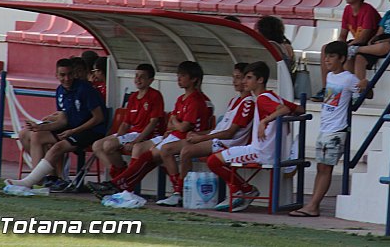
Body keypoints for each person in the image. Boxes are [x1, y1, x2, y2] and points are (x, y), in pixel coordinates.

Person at [87, 61, 213, 199]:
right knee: (146, 159)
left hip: (185, 139)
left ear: (194, 79)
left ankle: (121, 186)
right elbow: (171, 124)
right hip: (173, 137)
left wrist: (175, 121)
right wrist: (174, 123)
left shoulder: (195, 100)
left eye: (182, 76)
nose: (179, 79)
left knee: (148, 156)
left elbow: (182, 126)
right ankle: (118, 185)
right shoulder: (181, 98)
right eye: (178, 75)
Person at [206, 61, 304, 212]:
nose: (244, 81)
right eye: (244, 77)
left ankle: (245, 190)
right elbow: (299, 109)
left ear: (260, 80)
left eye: (249, 77)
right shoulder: (272, 96)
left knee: (213, 161)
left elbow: (284, 109)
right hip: (268, 150)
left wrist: (265, 121)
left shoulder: (263, 99)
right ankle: (243, 190)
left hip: (261, 152)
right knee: (217, 159)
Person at [156, 62, 254, 207]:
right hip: (217, 140)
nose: (235, 81)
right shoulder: (234, 101)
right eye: (233, 77)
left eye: (239, 78)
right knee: (166, 149)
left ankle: (180, 192)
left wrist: (202, 137)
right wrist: (198, 134)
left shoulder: (248, 103)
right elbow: (218, 129)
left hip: (228, 144)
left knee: (185, 151)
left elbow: (230, 133)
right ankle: (179, 191)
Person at [6, 58, 107, 190]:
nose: (66, 78)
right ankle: (39, 180)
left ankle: (32, 181)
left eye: (69, 74)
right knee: (37, 135)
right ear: (56, 75)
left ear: (74, 74)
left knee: (57, 147)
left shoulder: (84, 89)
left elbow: (98, 118)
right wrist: (40, 127)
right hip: (72, 128)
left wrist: (74, 131)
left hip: (91, 131)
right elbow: (63, 120)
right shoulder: (60, 90)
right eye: (62, 75)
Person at [290, 41, 359, 217]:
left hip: (337, 129)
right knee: (321, 167)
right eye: (326, 56)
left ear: (342, 58)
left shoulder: (349, 78)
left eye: (332, 56)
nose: (327, 60)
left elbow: (362, 94)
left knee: (325, 168)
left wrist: (365, 84)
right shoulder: (330, 77)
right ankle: (313, 204)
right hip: (325, 127)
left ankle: (313, 205)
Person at [310, 0, 381, 102]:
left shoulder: (368, 10)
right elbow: (343, 34)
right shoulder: (347, 9)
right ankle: (326, 88)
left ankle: (353, 92)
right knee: (326, 48)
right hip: (355, 42)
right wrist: (339, 45)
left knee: (348, 54)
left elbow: (364, 37)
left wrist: (345, 47)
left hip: (368, 45)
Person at [91, 63, 164, 180]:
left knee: (108, 145)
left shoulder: (155, 95)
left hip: (145, 136)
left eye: (142, 77)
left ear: (150, 80)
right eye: (136, 76)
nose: (138, 79)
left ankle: (120, 179)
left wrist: (136, 141)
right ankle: (118, 174)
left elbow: (153, 122)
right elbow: (125, 123)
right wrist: (119, 138)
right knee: (97, 146)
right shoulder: (133, 97)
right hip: (132, 133)